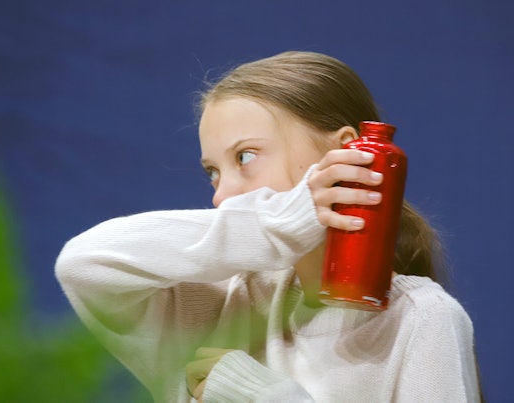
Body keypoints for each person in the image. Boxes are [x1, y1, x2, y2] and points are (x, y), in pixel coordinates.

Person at [55, 51, 481, 402]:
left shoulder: (423, 319)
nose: (221, 197)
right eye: (212, 172)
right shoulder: (220, 304)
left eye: (245, 157)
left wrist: (263, 396)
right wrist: (283, 224)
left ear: (350, 155)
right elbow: (83, 263)